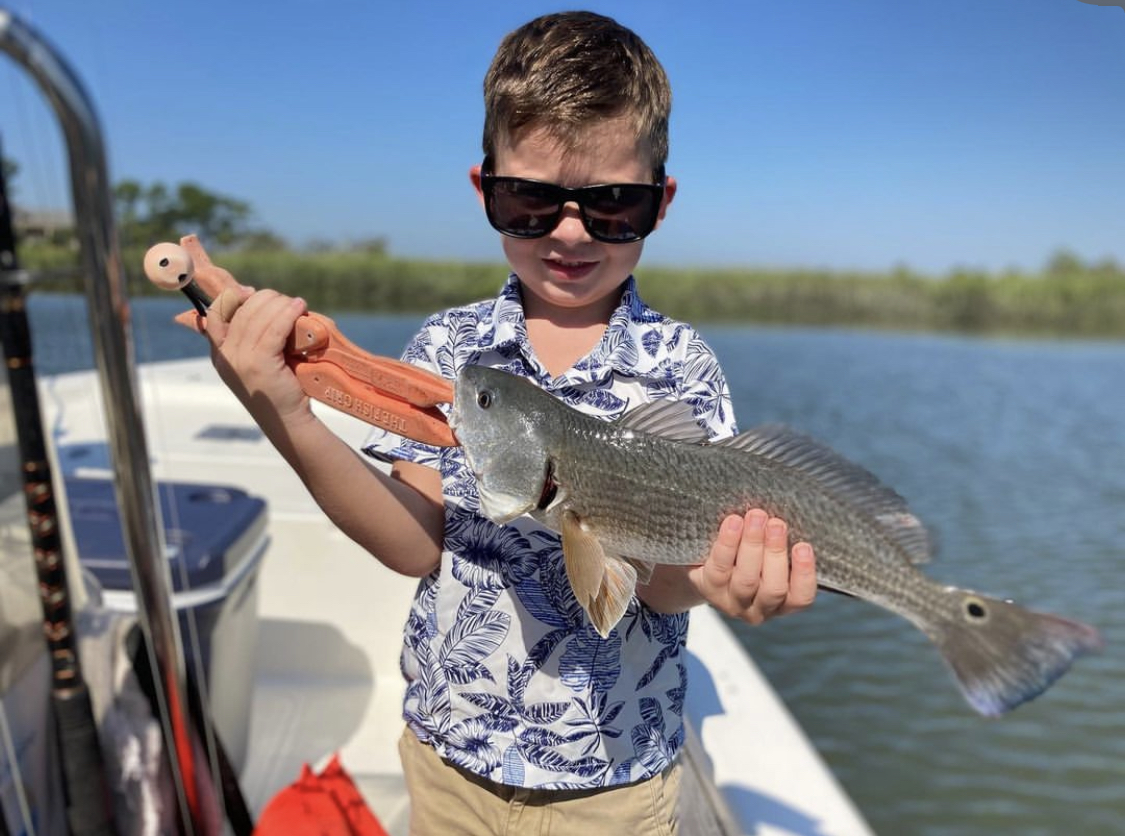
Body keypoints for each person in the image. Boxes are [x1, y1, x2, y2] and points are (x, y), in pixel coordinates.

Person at [204, 11, 817, 834]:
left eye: (613, 205)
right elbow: (414, 543)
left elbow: (663, 589)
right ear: (484, 188)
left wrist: (716, 580)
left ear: (660, 202)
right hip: (448, 757)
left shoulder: (681, 364)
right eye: (529, 199)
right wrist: (285, 412)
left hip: (613, 780)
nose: (569, 231)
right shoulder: (451, 350)